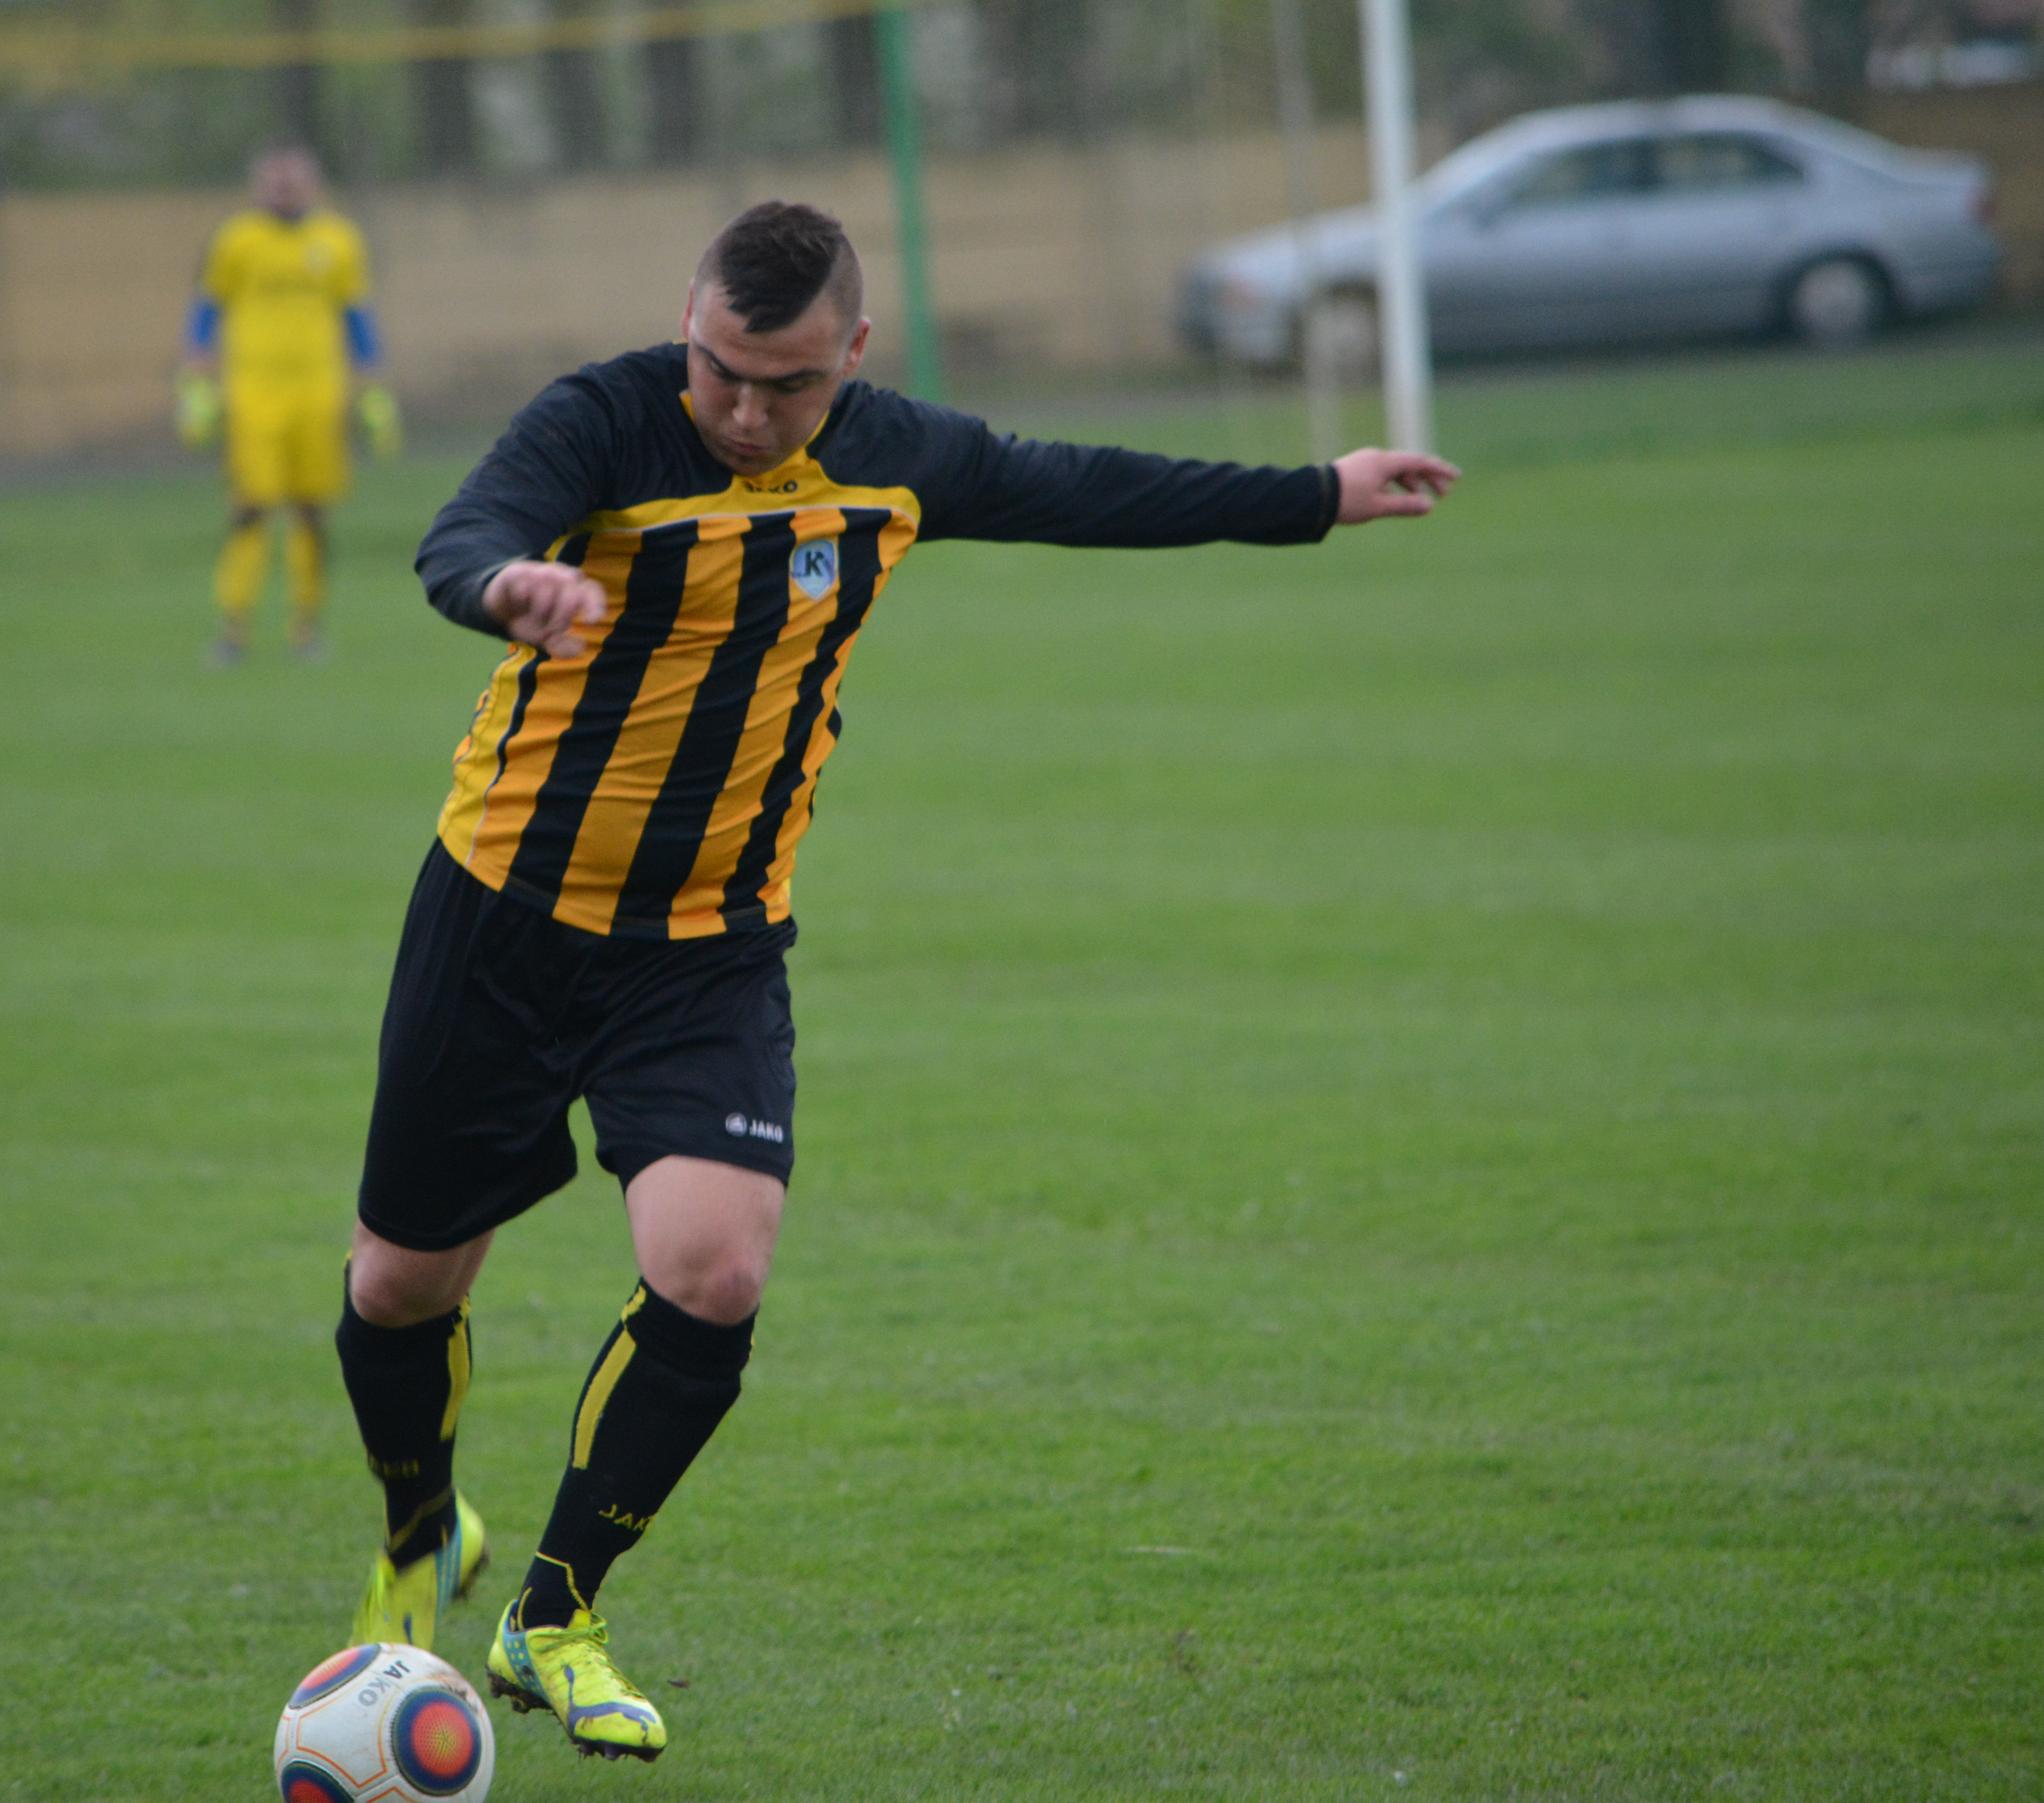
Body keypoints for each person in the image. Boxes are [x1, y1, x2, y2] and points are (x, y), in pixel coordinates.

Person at [330, 201, 1457, 1764]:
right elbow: (468, 529)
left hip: (709, 941)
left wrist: (1316, 495)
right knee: (399, 1288)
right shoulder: (603, 419)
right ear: (689, 325)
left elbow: (1086, 487)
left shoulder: (892, 458)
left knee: (717, 1268)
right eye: (722, 370)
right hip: (502, 916)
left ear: (852, 353)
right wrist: (507, 587)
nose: (744, 411)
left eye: (785, 384)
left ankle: (553, 1614)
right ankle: (414, 1531)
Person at [179, 143, 398, 666]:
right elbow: (207, 308)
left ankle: (307, 626)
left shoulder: (338, 240)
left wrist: (374, 385)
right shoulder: (236, 240)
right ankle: (233, 626)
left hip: (319, 394)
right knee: (250, 507)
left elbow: (356, 314)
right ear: (259, 185)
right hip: (254, 393)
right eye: (276, 180)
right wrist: (196, 376)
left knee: (311, 510)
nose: (285, 188)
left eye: (294, 179)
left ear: (313, 184)